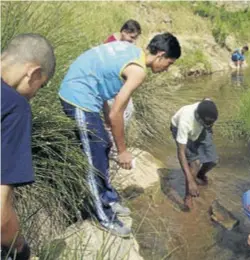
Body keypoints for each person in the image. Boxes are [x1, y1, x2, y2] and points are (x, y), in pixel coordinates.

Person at [59, 33, 181, 236]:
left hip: (87, 93)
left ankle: (108, 197)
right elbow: (118, 112)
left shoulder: (132, 51)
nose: (167, 69)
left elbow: (104, 82)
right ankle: (103, 217)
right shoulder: (138, 71)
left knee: (104, 144)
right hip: (78, 97)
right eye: (168, 63)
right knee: (94, 159)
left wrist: (108, 120)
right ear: (160, 55)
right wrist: (123, 151)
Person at [1, 34, 56, 260]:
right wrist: (20, 248)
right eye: (40, 86)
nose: (34, 95)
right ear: (33, 72)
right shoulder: (16, 108)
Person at [103, 20, 142, 159]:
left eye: (135, 38)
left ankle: (114, 147)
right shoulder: (112, 45)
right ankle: (113, 150)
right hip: (112, 88)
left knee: (127, 112)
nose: (133, 41)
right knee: (117, 117)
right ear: (124, 32)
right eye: (132, 37)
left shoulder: (120, 41)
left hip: (119, 86)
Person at [171, 99, 219, 210]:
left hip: (202, 128)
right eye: (208, 124)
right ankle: (188, 196)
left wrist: (209, 128)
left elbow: (207, 99)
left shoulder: (208, 107)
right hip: (180, 129)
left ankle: (199, 175)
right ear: (197, 117)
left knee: (213, 160)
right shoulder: (185, 122)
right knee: (195, 163)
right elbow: (181, 152)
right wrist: (190, 181)